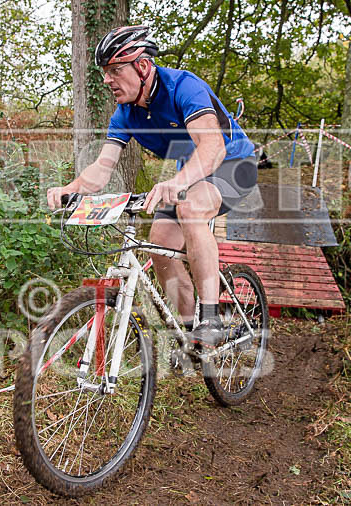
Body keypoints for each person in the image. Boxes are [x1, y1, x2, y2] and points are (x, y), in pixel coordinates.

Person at [47, 25, 257, 349]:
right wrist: (71, 188)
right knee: (158, 242)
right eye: (105, 72)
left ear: (143, 66)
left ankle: (212, 319)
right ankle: (191, 330)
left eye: (115, 70)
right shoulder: (125, 114)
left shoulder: (184, 88)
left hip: (234, 164)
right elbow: (102, 168)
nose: (107, 80)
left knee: (191, 208)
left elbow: (213, 148)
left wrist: (176, 182)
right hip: (190, 173)